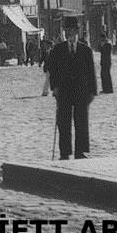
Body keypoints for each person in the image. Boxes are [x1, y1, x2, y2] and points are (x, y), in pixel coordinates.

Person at [47, 17, 97, 160]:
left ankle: (80, 151)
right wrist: (54, 87)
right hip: (64, 91)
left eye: (72, 30)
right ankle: (65, 152)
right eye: (67, 30)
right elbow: (53, 70)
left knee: (81, 122)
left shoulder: (85, 50)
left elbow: (91, 72)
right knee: (63, 123)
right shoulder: (57, 50)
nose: (69, 33)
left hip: (82, 91)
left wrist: (93, 91)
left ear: (77, 32)